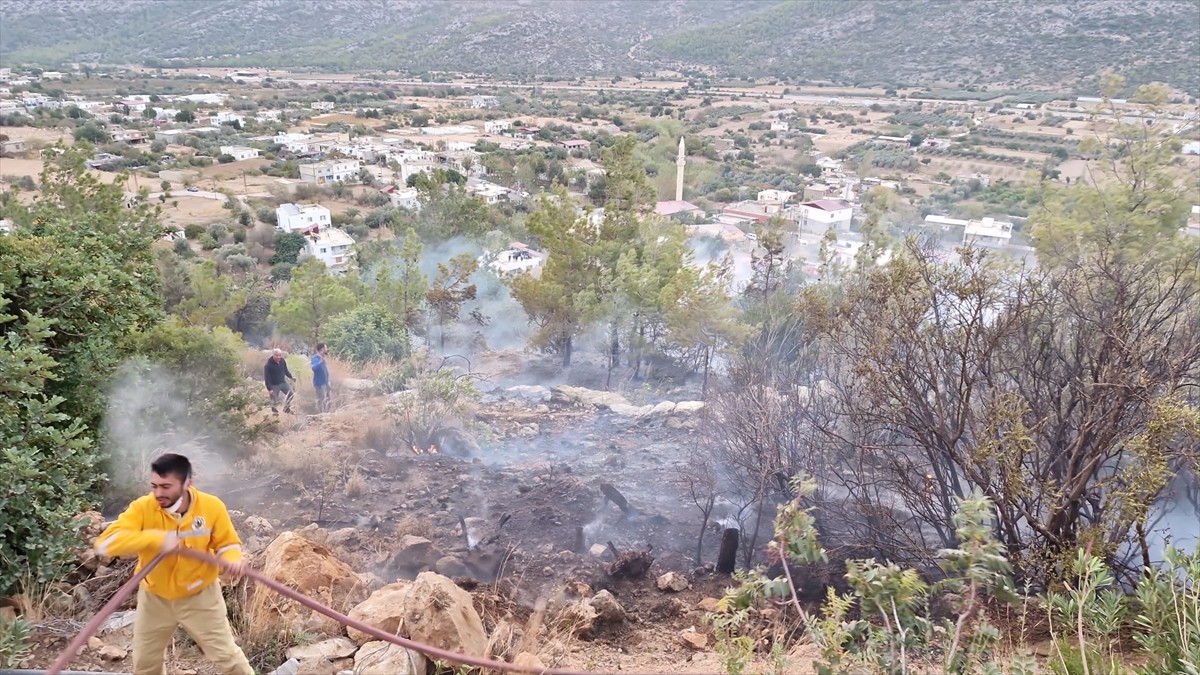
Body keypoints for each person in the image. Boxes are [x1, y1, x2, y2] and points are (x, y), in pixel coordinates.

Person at [94, 453, 253, 675]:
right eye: (154, 486)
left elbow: (227, 544)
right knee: (145, 663)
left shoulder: (211, 507)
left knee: (228, 657)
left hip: (201, 595)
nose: (158, 493)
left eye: (166, 486)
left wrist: (232, 559)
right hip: (155, 598)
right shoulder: (143, 508)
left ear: (187, 483)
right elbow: (105, 544)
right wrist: (156, 539)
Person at [264, 348, 296, 414]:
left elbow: (286, 370)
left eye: (280, 355)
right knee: (274, 401)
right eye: (277, 355)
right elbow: (267, 378)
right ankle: (275, 415)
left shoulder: (282, 361)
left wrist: (291, 377)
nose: (279, 357)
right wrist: (269, 389)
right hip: (274, 385)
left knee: (291, 394)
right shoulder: (268, 365)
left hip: (283, 382)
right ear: (273, 355)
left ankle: (286, 408)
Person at [311, 342, 331, 413]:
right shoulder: (315, 358)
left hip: (326, 382)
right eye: (326, 348)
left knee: (328, 400)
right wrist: (320, 362)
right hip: (319, 383)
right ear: (322, 349)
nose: (327, 349)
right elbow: (313, 368)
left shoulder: (323, 358)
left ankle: (327, 413)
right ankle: (321, 414)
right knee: (322, 400)